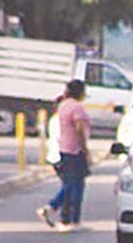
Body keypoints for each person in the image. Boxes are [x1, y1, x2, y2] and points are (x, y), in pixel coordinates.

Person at [36, 80, 92, 233]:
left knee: (71, 184)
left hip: (65, 148)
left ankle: (68, 219)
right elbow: (79, 129)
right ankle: (54, 208)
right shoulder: (76, 107)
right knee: (74, 185)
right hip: (75, 149)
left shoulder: (64, 105)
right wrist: (85, 149)